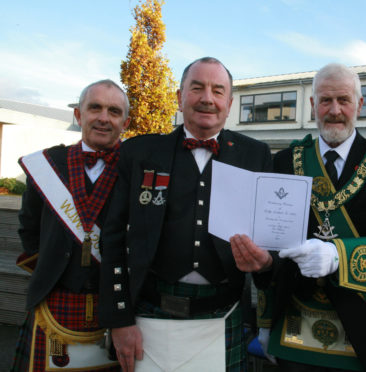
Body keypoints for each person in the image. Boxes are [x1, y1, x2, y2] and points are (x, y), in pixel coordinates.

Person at [230, 63, 366, 371]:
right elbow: (269, 245)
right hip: (293, 326)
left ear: (360, 104)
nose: (335, 110)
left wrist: (338, 255)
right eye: (325, 100)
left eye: (344, 100)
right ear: (313, 105)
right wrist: (265, 319)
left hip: (362, 329)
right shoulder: (285, 161)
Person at [98, 57, 272, 372]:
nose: (207, 98)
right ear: (179, 97)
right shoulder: (139, 153)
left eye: (218, 91)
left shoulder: (256, 154)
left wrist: (266, 263)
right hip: (148, 314)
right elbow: (112, 238)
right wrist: (119, 319)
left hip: (224, 314)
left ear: (229, 103)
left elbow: (270, 237)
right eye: (197, 88)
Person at [11, 79, 130, 371]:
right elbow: (29, 227)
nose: (104, 117)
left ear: (125, 122)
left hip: (117, 304)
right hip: (55, 298)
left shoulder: (136, 167)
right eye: (95, 108)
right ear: (78, 115)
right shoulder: (49, 164)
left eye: (114, 111)